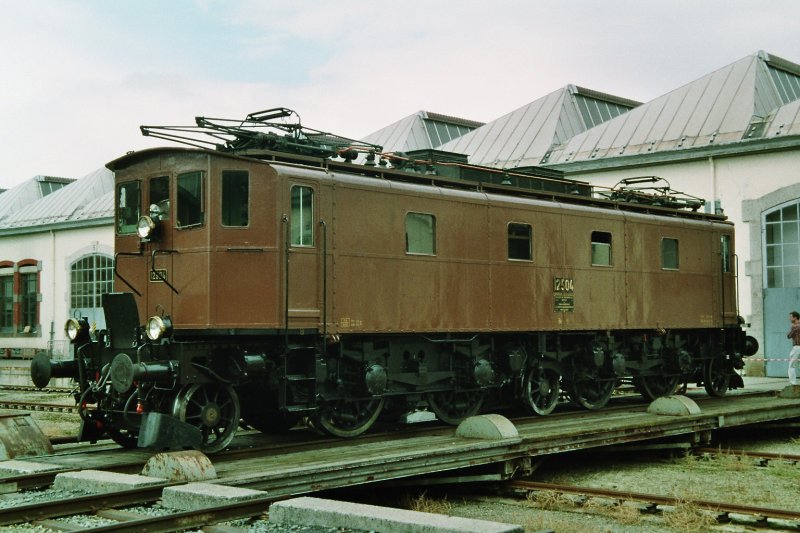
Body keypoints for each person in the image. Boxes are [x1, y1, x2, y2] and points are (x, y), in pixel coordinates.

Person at [787, 311, 800, 386]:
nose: (789, 318)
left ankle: (793, 383)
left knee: (791, 365)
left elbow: (789, 336)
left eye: (791, 317)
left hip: (797, 347)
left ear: (795, 317)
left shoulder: (795, 326)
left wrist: (792, 327)